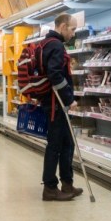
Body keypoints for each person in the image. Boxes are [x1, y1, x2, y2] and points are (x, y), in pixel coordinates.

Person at [38, 14, 82, 202]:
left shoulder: (45, 43)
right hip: (57, 104)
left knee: (67, 144)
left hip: (52, 102)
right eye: (72, 29)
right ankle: (49, 188)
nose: (73, 34)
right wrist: (69, 99)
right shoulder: (55, 45)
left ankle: (67, 183)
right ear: (63, 26)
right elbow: (55, 74)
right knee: (55, 145)